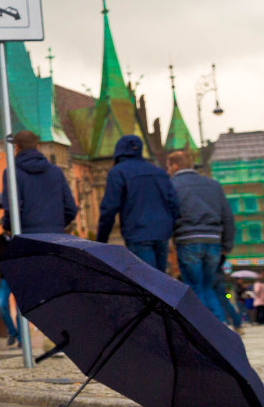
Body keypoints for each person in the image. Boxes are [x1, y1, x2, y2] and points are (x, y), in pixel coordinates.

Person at [166, 151, 236, 326]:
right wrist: (226, 244)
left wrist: (168, 238)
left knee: (195, 287)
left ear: (174, 166)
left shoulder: (172, 185)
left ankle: (205, 329)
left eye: (168, 167)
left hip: (188, 239)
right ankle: (221, 324)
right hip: (213, 241)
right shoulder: (213, 185)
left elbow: (169, 215)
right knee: (207, 286)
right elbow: (227, 217)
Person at [94, 136, 178, 270]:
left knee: (146, 281)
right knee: (161, 281)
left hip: (138, 233)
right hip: (161, 233)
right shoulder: (159, 172)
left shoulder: (118, 172)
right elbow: (173, 203)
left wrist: (101, 240)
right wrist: (169, 226)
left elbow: (109, 208)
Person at [10, 131, 78, 235]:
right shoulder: (56, 172)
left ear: (16, 147)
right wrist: (56, 225)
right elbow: (71, 208)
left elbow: (12, 209)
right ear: (37, 146)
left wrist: (9, 226)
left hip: (27, 238)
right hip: (55, 236)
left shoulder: (12, 173)